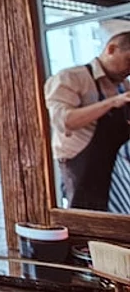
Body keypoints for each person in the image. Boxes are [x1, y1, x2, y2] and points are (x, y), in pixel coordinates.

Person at [45, 19, 130, 211]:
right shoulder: (70, 78)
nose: (129, 69)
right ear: (111, 49)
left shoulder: (123, 85)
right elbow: (64, 121)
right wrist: (112, 102)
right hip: (82, 170)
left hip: (115, 170)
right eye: (129, 60)